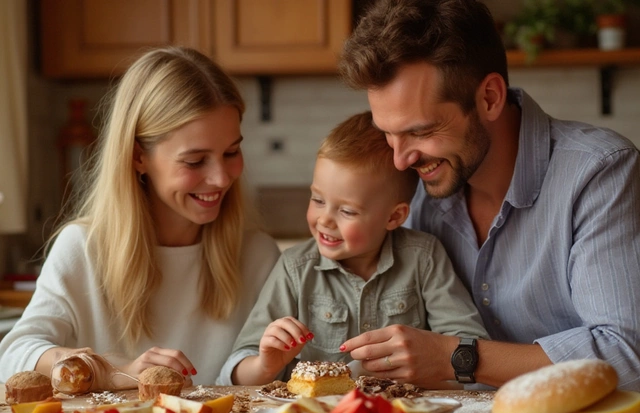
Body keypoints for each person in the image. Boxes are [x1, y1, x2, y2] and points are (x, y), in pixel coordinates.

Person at [337, 0, 640, 390]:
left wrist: (455, 357)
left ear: (490, 98)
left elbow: (627, 353)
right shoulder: (415, 186)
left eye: (421, 131)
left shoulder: (600, 172)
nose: (399, 161)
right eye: (388, 134)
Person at [0, 46, 281, 386]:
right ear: (137, 157)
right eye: (194, 161)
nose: (222, 178)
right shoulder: (83, 248)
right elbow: (14, 356)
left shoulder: (257, 255)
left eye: (231, 152)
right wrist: (105, 368)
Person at [218, 111, 489, 386]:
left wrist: (433, 367)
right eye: (317, 199)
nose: (324, 220)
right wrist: (265, 365)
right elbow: (235, 371)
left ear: (394, 217)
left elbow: (470, 346)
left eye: (347, 211)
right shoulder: (294, 268)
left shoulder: (424, 257)